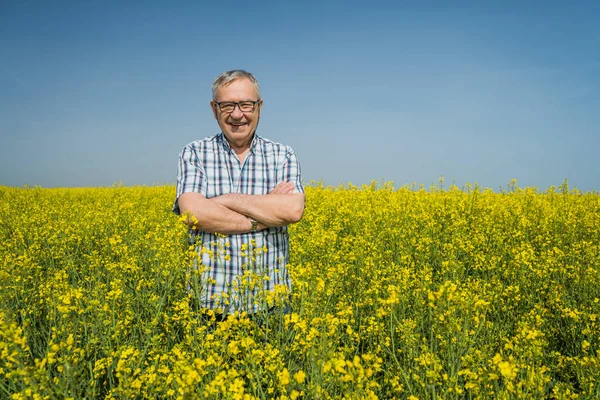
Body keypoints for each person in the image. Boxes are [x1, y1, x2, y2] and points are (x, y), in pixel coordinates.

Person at [173, 70, 305, 319]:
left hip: (271, 304)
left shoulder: (283, 155)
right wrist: (264, 214)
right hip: (209, 305)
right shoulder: (194, 153)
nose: (237, 114)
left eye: (245, 104)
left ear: (259, 107)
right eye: (227, 105)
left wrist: (228, 200)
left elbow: (292, 211)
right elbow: (192, 214)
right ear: (214, 109)